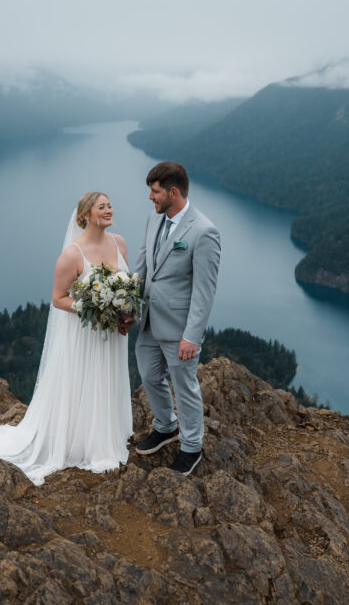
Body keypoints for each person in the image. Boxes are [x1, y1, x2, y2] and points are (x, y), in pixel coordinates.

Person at [0, 192, 133, 485]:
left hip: (112, 334)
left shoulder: (120, 243)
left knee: (107, 377)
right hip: (85, 333)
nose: (109, 210)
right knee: (86, 379)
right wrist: (93, 308)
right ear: (85, 215)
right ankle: (82, 442)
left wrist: (125, 312)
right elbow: (58, 298)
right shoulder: (73, 254)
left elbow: (126, 287)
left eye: (110, 205)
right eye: (102, 207)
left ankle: (106, 434)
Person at [128, 162, 221, 476]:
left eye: (155, 192)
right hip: (150, 321)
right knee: (149, 375)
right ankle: (166, 426)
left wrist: (192, 336)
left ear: (173, 192)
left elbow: (204, 291)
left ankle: (191, 447)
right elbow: (143, 267)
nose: (150, 198)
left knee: (185, 387)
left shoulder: (204, 231)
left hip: (180, 328)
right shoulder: (154, 221)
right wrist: (128, 303)